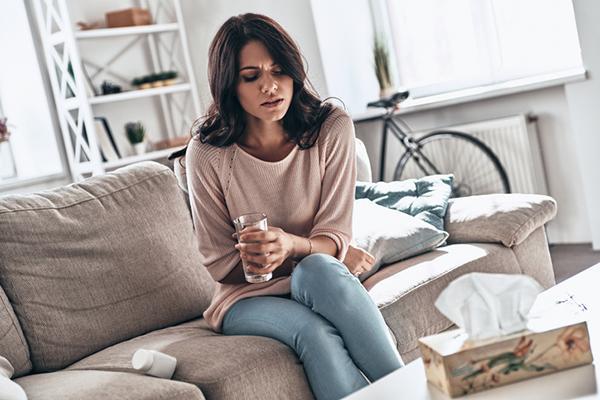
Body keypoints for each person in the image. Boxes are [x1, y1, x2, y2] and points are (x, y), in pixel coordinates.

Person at [179, 13, 403, 400]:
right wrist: (270, 258)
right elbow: (220, 264)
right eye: (251, 77)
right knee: (315, 332)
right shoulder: (208, 151)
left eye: (279, 70)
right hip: (244, 298)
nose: (270, 85)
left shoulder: (331, 128)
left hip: (318, 276)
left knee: (318, 268)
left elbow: (335, 238)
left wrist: (292, 246)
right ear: (230, 85)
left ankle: (409, 389)